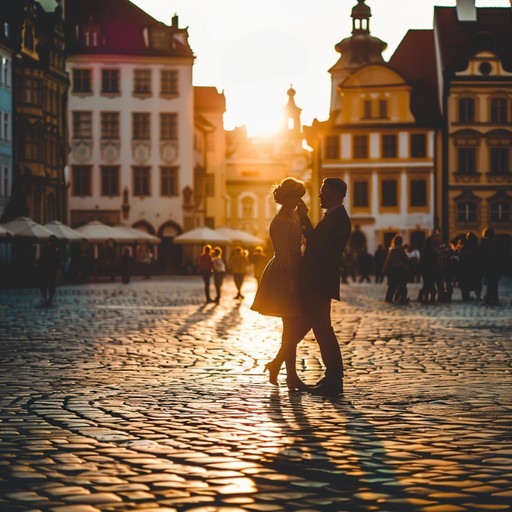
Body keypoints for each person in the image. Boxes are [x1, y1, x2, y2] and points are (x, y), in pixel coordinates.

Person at [251, 178, 310, 391]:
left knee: (293, 327)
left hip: (296, 270)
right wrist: (293, 282)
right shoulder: (281, 222)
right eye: (297, 197)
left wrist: (305, 217)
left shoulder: (292, 215)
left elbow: (304, 238)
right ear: (288, 197)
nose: (298, 201)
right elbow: (285, 258)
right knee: (293, 325)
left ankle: (283, 369)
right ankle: (287, 373)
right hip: (286, 275)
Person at [297, 177, 352, 396]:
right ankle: (332, 378)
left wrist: (302, 217)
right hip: (318, 282)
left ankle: (334, 379)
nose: (320, 195)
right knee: (321, 329)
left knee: (323, 330)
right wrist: (304, 217)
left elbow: (316, 247)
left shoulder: (339, 219)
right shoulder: (331, 216)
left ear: (337, 195)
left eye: (324, 192)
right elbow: (315, 242)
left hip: (319, 282)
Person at [383, 235, 409, 304]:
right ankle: (401, 298)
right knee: (402, 285)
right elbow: (406, 259)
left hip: (393, 270)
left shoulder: (392, 250)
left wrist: (385, 270)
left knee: (392, 285)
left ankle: (388, 298)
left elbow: (388, 261)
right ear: (401, 242)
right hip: (401, 270)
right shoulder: (401, 250)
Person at [479, 227, 502, 305]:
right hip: (494, 266)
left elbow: (482, 256)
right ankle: (493, 297)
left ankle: (489, 297)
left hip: (490, 266)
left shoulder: (484, 243)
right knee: (493, 283)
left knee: (491, 282)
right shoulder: (497, 243)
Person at [39, 235, 60, 306]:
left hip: (45, 270)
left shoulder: (44, 248)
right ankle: (49, 300)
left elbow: (41, 260)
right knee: (51, 285)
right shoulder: (55, 249)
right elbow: (57, 260)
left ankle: (46, 300)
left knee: (44, 285)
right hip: (51, 270)